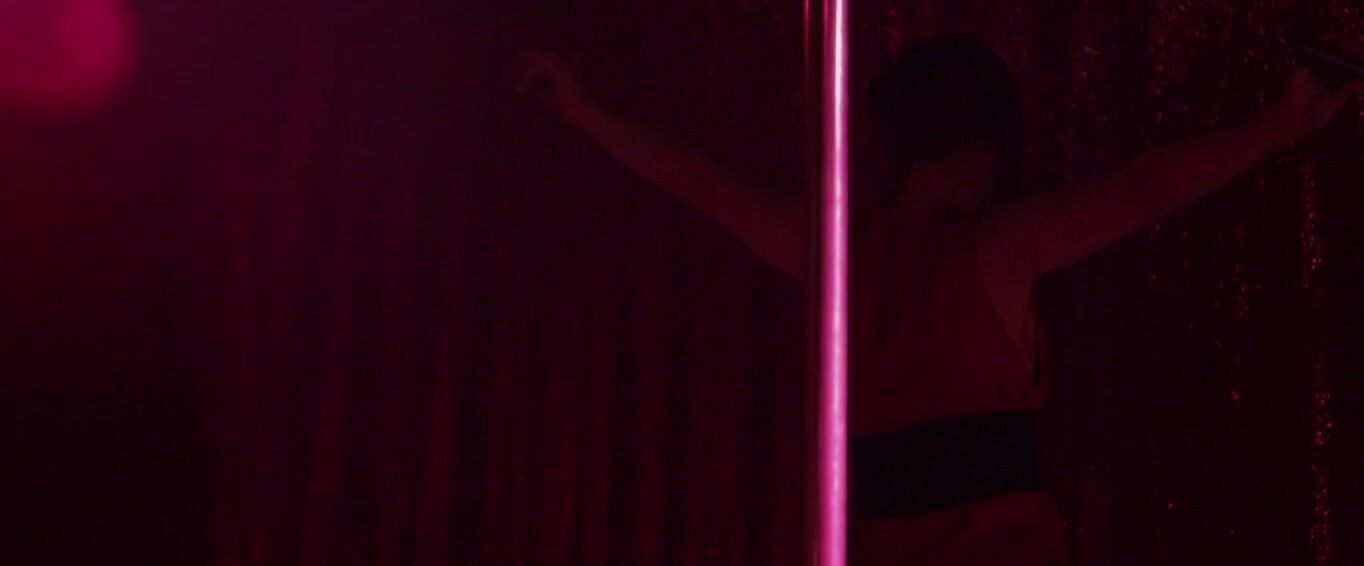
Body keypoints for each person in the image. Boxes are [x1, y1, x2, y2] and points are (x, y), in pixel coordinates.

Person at [518, 36, 1364, 564]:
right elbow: (1146, 186)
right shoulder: (994, 247)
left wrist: (590, 116)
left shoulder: (835, 253)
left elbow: (704, 183)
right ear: (991, 143)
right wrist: (1281, 122)